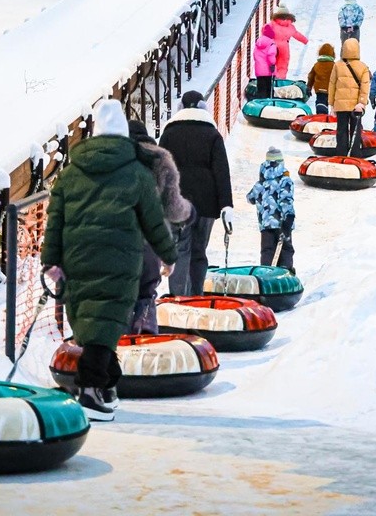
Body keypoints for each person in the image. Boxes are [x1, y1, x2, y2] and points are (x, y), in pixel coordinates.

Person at [42, 100, 177, 421]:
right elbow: (153, 221)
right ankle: (90, 390)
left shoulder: (70, 174)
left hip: (77, 258)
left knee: (93, 323)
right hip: (120, 260)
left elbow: (55, 220)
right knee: (107, 321)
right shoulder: (137, 174)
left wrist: (51, 260)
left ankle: (105, 383)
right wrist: (168, 255)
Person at [158, 90, 234, 297]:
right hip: (207, 204)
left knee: (180, 250)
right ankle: (196, 298)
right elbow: (222, 172)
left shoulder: (169, 134)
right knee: (199, 251)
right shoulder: (212, 134)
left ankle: (179, 299)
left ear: (180, 107)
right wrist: (226, 205)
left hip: (177, 202)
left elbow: (160, 171)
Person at [127, 120, 193, 336]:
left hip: (116, 240)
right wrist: (189, 213)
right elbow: (173, 207)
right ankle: (145, 335)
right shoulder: (159, 160)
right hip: (149, 240)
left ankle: (121, 340)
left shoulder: (113, 160)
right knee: (146, 291)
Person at [246, 147, 295, 274]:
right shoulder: (285, 180)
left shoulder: (260, 183)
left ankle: (266, 273)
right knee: (286, 249)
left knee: (267, 250)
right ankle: (285, 272)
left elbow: (250, 198)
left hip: (266, 225)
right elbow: (286, 200)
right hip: (282, 223)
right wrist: (289, 217)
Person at [328, 38, 371, 157]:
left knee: (341, 130)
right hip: (356, 106)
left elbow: (332, 85)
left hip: (340, 105)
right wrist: (362, 103)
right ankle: (355, 154)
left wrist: (331, 103)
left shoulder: (337, 65)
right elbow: (365, 86)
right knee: (355, 131)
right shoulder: (363, 67)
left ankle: (341, 154)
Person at [266, 3, 308, 79]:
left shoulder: (272, 25)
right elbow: (297, 34)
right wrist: (305, 40)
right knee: (283, 66)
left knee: (271, 64)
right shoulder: (290, 26)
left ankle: (270, 79)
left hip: (273, 46)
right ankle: (280, 80)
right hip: (284, 48)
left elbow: (265, 32)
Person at [306, 43, 336, 114]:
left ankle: (321, 115)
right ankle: (332, 116)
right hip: (331, 89)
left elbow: (311, 77)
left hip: (319, 89)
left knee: (321, 103)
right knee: (333, 104)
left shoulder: (317, 64)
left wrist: (309, 87)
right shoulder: (334, 65)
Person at [253, 24, 278, 99]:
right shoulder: (271, 43)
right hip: (268, 71)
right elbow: (271, 54)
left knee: (261, 89)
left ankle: (261, 103)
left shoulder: (258, 43)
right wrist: (272, 64)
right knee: (268, 90)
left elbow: (254, 55)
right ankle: (268, 104)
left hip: (259, 70)